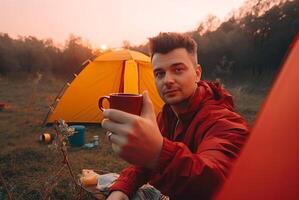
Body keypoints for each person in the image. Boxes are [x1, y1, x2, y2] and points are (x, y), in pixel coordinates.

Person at [101, 32, 249, 200]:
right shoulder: (167, 115)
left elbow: (215, 180)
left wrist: (158, 154)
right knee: (104, 183)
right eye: (159, 73)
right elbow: (142, 167)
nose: (167, 80)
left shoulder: (225, 122)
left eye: (178, 70)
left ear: (197, 73)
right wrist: (121, 190)